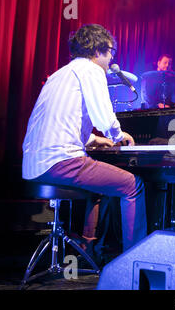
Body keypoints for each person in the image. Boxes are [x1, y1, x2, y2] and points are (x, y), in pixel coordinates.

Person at [22, 24, 147, 253]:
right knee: (132, 185)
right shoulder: (91, 70)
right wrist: (118, 135)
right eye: (110, 52)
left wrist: (92, 140)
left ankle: (87, 247)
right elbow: (104, 118)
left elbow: (60, 118)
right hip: (60, 161)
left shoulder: (60, 74)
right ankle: (135, 258)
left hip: (33, 164)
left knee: (100, 186)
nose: (111, 59)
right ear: (99, 49)